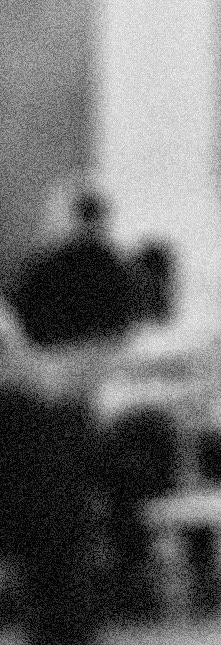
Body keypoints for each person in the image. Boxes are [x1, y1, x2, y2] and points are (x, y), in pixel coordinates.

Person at [0, 190, 142, 645]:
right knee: (59, 553)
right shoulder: (101, 271)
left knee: (54, 555)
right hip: (49, 430)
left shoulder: (44, 272)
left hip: (43, 428)